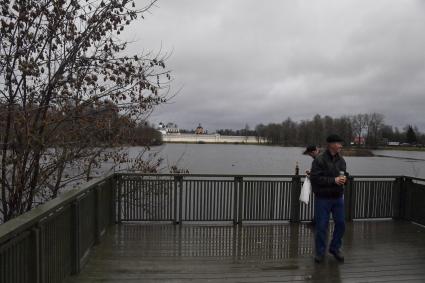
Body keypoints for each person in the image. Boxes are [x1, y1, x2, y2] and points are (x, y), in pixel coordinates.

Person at [310, 134, 348, 263]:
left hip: (338, 198)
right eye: (338, 143)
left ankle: (334, 248)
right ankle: (320, 253)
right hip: (323, 198)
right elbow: (315, 178)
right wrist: (334, 180)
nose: (341, 145)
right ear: (331, 144)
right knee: (321, 226)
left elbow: (344, 175)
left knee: (341, 224)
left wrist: (345, 179)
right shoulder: (319, 160)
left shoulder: (341, 160)